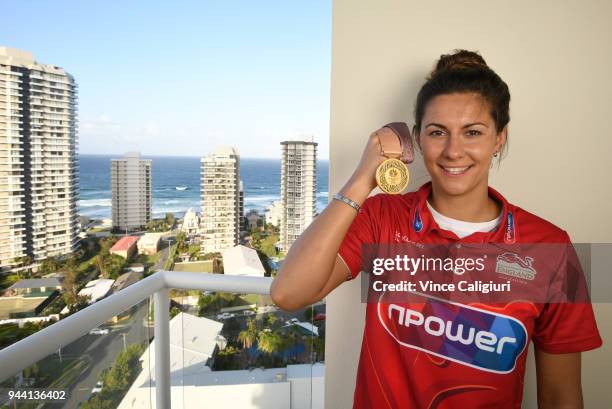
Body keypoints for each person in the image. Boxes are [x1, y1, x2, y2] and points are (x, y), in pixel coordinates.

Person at [270, 49, 602, 408]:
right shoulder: (383, 218)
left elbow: (560, 396)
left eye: (473, 132)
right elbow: (289, 294)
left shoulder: (551, 247)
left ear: (499, 138)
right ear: (418, 138)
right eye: (437, 132)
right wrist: (362, 178)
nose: (453, 151)